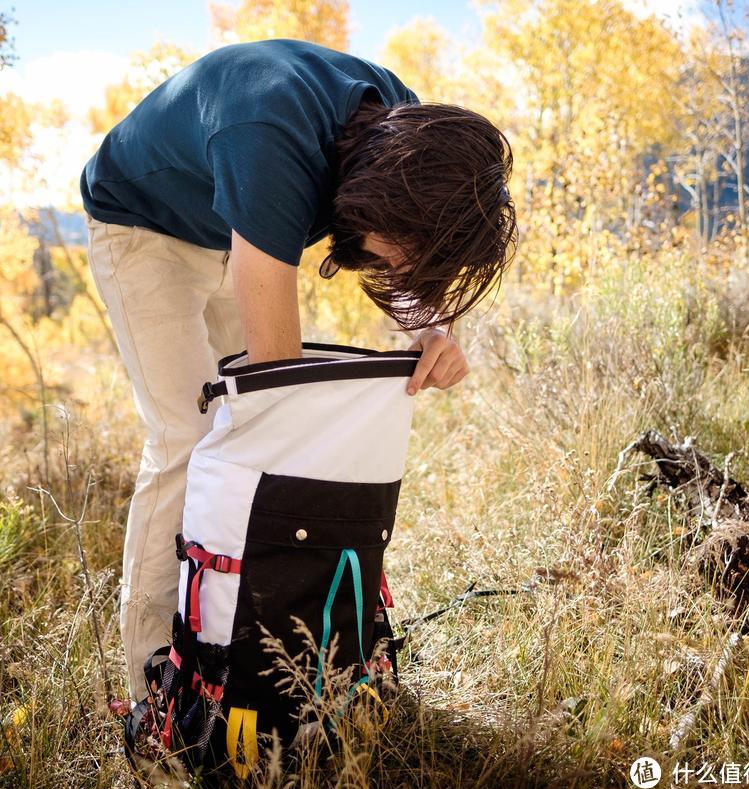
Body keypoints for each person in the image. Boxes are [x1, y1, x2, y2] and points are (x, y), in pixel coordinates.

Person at [80, 37, 517, 700]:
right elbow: (278, 388)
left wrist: (433, 326)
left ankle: (257, 639)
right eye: (401, 257)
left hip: (238, 221)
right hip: (141, 225)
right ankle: (157, 691)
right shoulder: (271, 143)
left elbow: (407, 271)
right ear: (373, 199)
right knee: (188, 438)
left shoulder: (410, 134)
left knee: (249, 433)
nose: (400, 277)